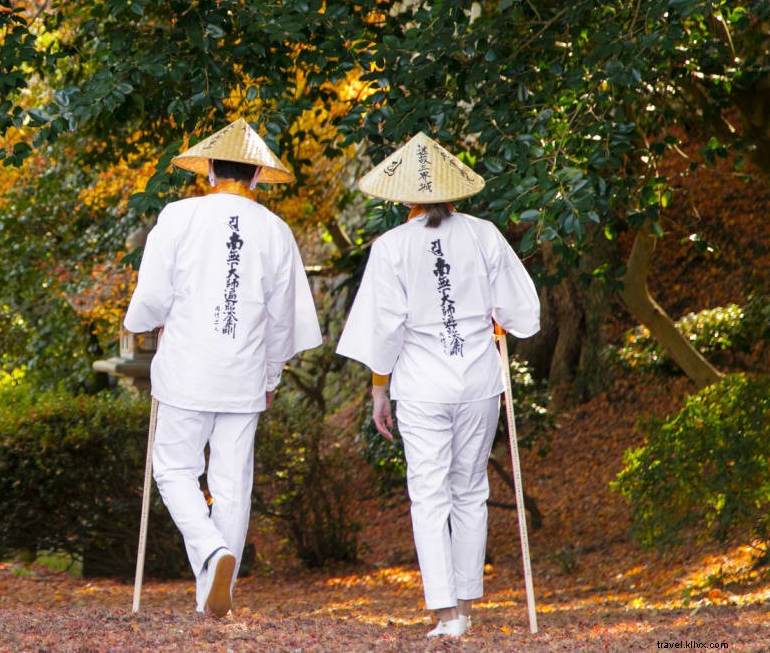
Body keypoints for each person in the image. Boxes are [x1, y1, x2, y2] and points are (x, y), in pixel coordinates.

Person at [335, 131, 541, 638]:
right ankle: (466, 607)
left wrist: (378, 388)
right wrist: (497, 320)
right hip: (477, 379)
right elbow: (521, 313)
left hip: (422, 384)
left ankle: (445, 611)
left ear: (404, 195)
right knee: (470, 489)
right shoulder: (483, 234)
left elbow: (385, 327)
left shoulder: (391, 247)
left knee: (429, 494)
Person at [123, 118, 322, 618]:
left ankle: (213, 554)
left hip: (187, 367)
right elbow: (284, 321)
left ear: (209, 170)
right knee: (233, 481)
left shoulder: (178, 216)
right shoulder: (277, 231)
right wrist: (272, 376)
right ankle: (214, 594)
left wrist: (145, 324)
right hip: (245, 373)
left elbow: (150, 300)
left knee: (173, 469)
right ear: (256, 176)